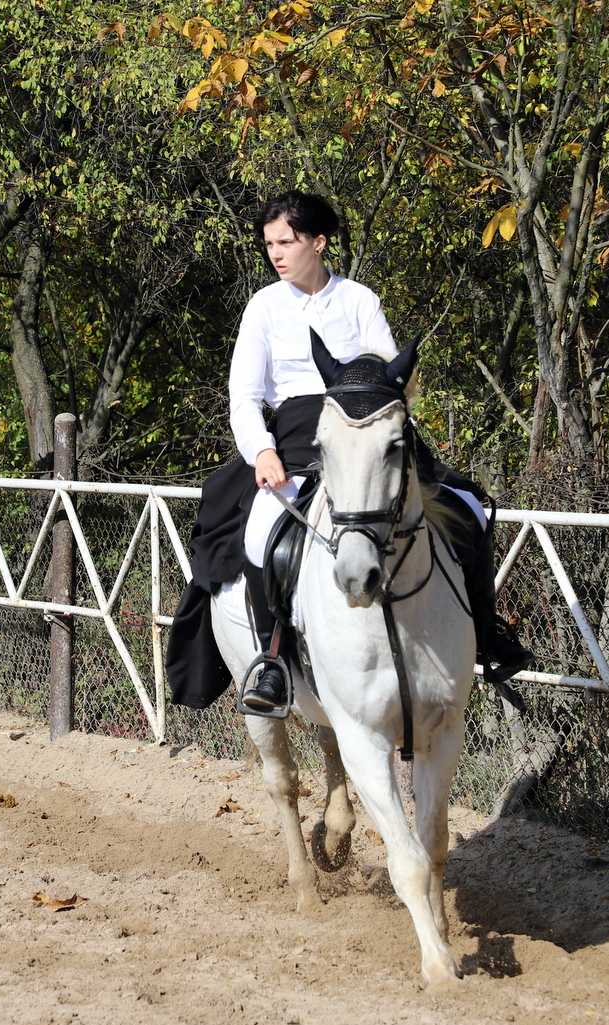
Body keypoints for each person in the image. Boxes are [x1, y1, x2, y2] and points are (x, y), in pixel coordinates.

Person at [165, 190, 533, 715]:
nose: (276, 253)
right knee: (257, 528)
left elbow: (391, 375)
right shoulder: (263, 308)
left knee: (468, 508)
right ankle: (272, 662)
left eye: (286, 241)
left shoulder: (360, 299)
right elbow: (244, 399)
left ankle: (484, 629)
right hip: (293, 434)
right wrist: (261, 452)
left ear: (318, 241)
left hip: (369, 428)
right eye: (269, 244)